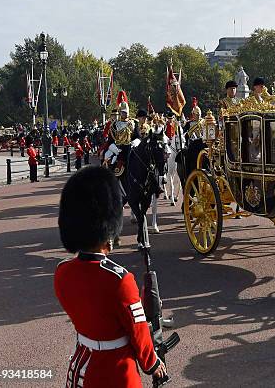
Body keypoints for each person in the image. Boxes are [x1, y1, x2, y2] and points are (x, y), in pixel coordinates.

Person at [54, 166, 166, 387]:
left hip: (81, 368)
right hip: (117, 372)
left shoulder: (62, 272)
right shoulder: (120, 280)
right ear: (109, 232)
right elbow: (138, 330)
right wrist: (152, 363)